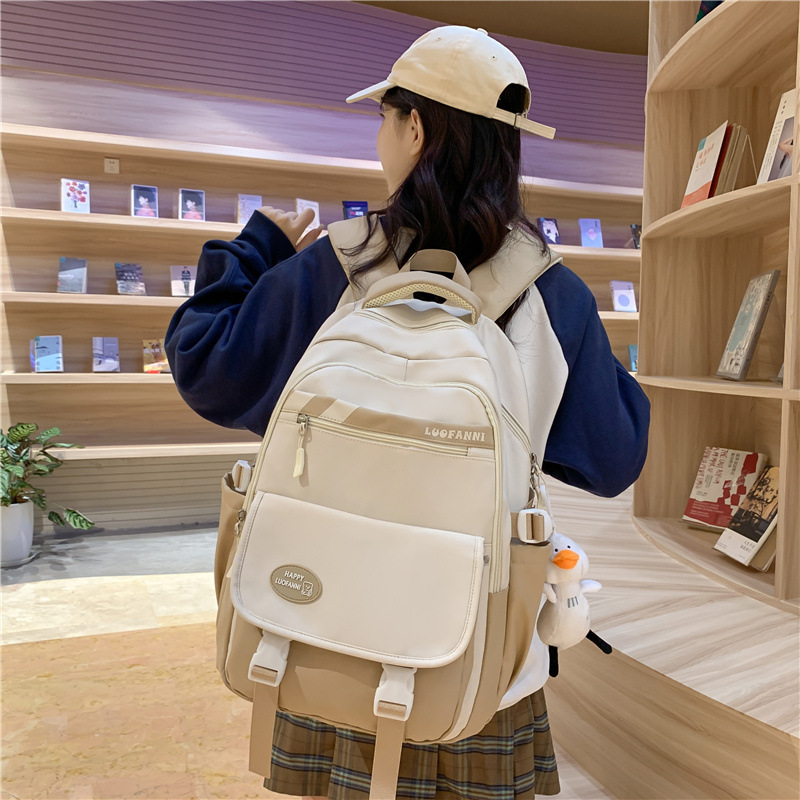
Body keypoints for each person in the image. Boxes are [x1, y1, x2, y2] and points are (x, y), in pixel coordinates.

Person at [165, 24, 650, 800]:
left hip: (325, 630)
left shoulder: (338, 264)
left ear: (415, 127)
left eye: (384, 119)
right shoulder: (551, 292)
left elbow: (205, 361)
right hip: (475, 654)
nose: (381, 137)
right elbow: (616, 455)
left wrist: (254, 249)